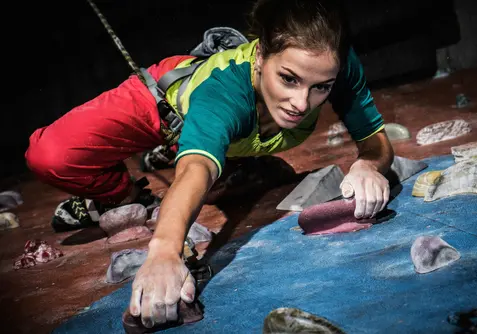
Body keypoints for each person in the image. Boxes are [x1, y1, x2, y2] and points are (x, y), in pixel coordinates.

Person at [25, 0, 394, 328]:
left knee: (221, 176)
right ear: (262, 54)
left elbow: (376, 142)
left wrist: (368, 164)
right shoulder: (222, 93)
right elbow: (195, 170)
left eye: (321, 88)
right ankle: (122, 195)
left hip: (230, 138)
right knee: (49, 155)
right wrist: (165, 252)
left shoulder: (334, 64)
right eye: (288, 79)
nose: (301, 102)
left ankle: (218, 159)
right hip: (165, 105)